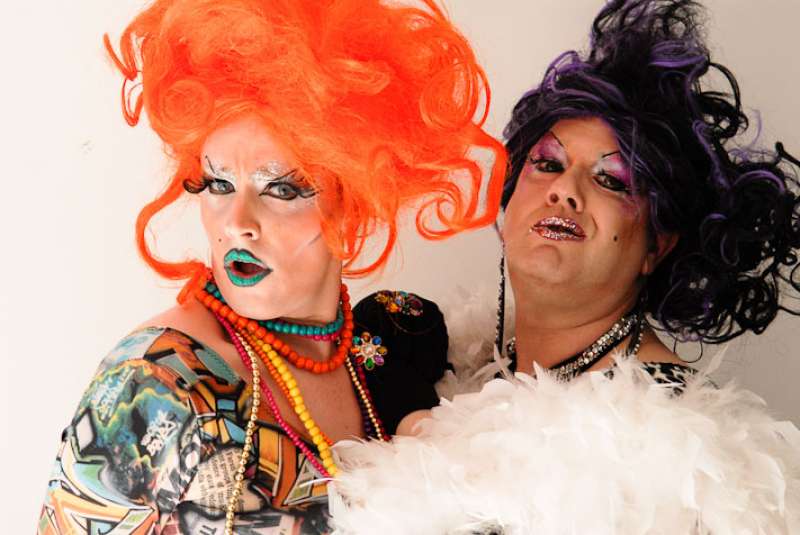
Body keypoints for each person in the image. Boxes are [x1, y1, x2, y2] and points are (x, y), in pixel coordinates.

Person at [36, 1, 505, 533]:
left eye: (281, 189)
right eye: (218, 184)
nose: (237, 223)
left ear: (355, 202)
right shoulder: (155, 386)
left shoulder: (381, 353)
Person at [330, 1, 800, 532]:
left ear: (658, 245)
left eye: (611, 180)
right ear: (507, 205)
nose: (564, 190)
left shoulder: (681, 460)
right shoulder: (450, 372)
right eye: (547, 163)